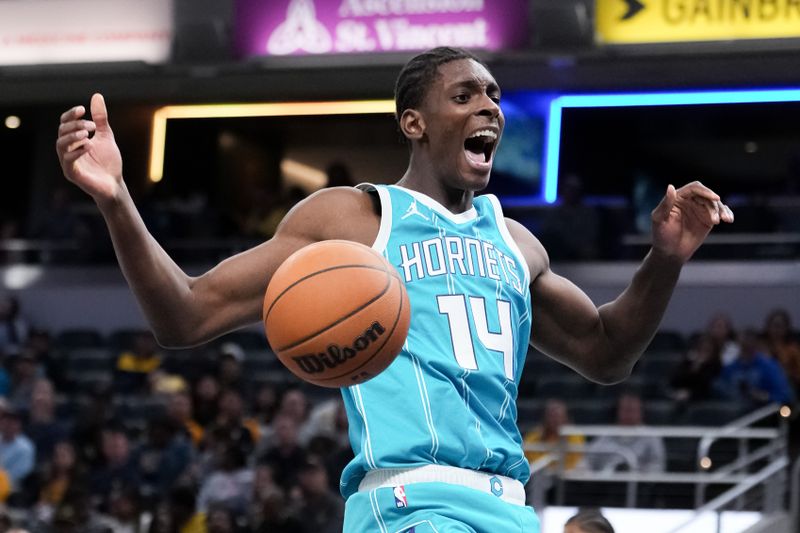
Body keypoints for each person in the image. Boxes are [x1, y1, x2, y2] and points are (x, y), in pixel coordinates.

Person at [56, 46, 733, 532]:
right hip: (409, 503)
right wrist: (116, 198)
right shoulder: (352, 219)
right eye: (464, 95)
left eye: (494, 95)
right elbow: (185, 315)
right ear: (414, 122)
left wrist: (664, 259)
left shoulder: (516, 241)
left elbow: (608, 352)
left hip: (509, 505)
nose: (488, 106)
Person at [583, 392, 666, 474]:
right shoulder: (605, 434)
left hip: (639, 483)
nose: (629, 414)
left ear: (641, 411)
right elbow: (588, 462)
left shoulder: (651, 436)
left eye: (633, 410)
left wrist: (639, 477)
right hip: (607, 483)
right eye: (626, 410)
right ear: (618, 411)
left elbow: (657, 466)